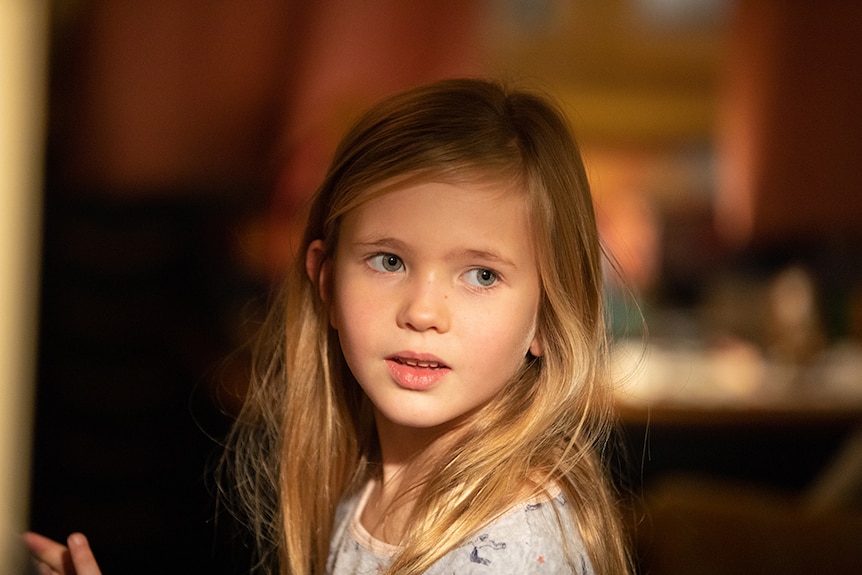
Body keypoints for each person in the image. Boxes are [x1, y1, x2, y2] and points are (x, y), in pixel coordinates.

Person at [25, 78, 632, 575]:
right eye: (389, 261)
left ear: (549, 318)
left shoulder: (510, 550)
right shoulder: (372, 482)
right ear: (326, 282)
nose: (422, 312)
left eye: (480, 275)